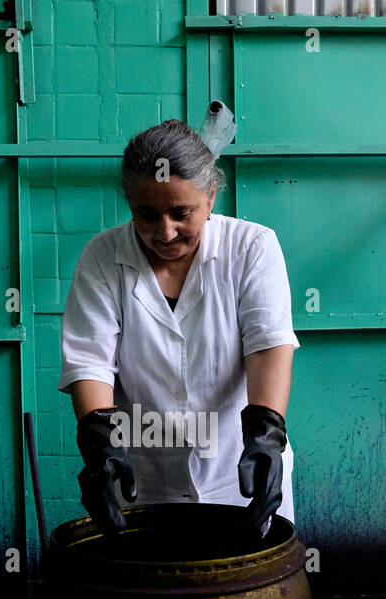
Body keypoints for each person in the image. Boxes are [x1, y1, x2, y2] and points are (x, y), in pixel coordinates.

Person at [59, 119, 298, 538]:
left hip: (237, 473)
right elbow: (90, 362)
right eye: (146, 215)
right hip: (149, 481)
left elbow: (267, 346)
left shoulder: (252, 248)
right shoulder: (102, 257)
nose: (164, 232)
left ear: (210, 198)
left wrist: (266, 438)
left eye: (181, 213)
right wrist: (100, 444)